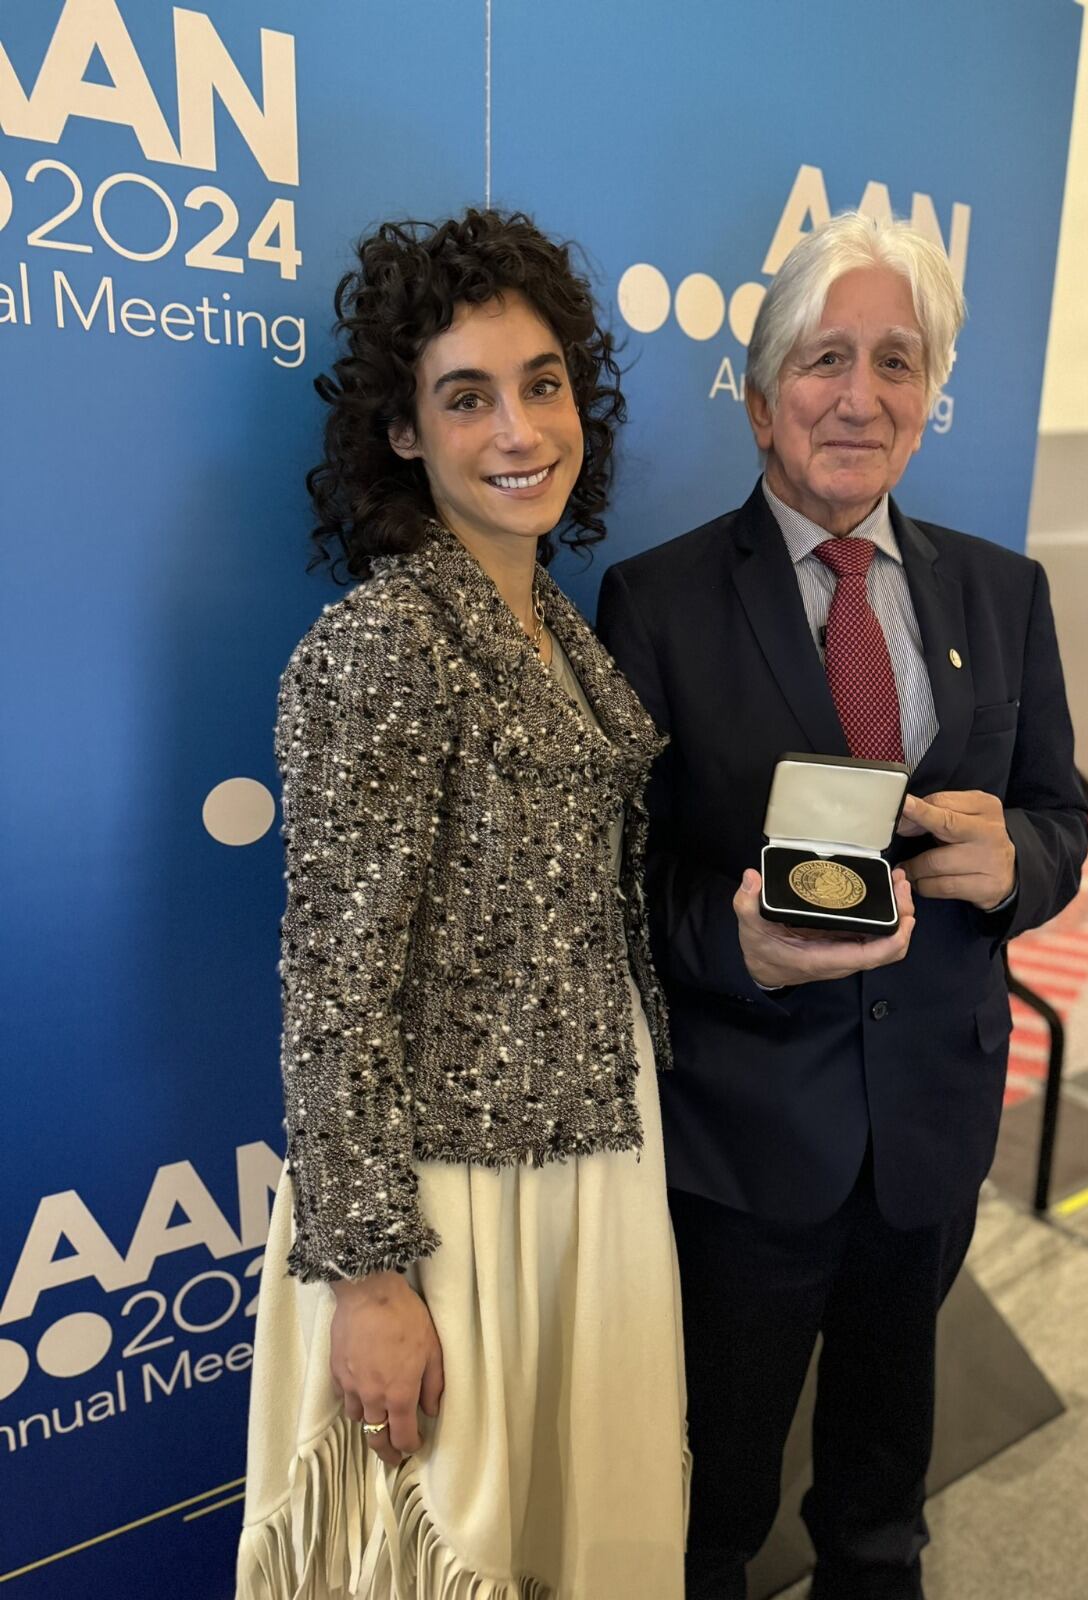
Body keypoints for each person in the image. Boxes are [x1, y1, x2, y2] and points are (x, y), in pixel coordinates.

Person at [597, 211, 1088, 1600]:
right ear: (758, 399)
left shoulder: (1004, 593)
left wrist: (1022, 871)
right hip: (746, 1151)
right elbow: (620, 887)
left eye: (896, 361)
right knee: (712, 1513)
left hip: (929, 1137)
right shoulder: (658, 600)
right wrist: (738, 946)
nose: (859, 395)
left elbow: (1057, 819)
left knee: (883, 1507)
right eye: (824, 359)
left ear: (930, 400)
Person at [237, 209, 688, 1600]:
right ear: (404, 434)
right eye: (467, 396)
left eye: (542, 384)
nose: (518, 429)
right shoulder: (383, 642)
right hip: (451, 1198)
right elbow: (337, 983)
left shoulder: (560, 631)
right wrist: (369, 1280)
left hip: (588, 1159)